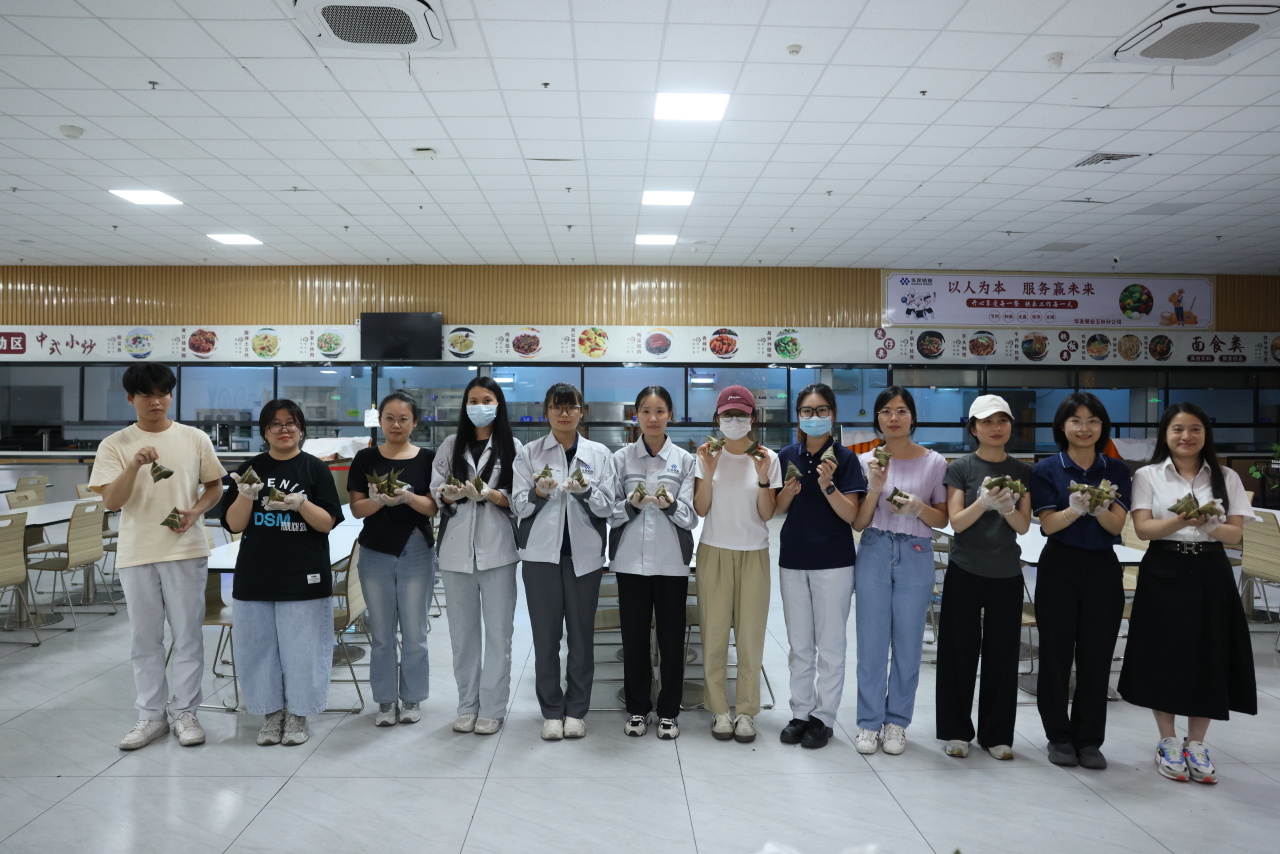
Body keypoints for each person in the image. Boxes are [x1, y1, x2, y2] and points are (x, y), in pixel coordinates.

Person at [91, 364, 227, 751]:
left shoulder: (194, 438)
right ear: (130, 398)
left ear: (171, 395)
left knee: (187, 635)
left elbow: (214, 486)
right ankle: (151, 716)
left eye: (162, 393)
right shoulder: (115, 444)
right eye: (146, 394)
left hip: (185, 548)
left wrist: (195, 511)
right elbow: (112, 501)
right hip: (137, 551)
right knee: (144, 638)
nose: (156, 401)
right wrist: (134, 464)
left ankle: (185, 712)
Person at [1119, 402, 1256, 783]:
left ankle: (1196, 743)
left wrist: (1208, 526)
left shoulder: (1226, 476)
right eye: (1178, 429)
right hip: (1164, 567)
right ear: (1165, 435)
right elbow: (1143, 529)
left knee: (1209, 652)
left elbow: (1235, 534)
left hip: (1211, 569)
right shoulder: (1147, 475)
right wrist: (1182, 519)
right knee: (1164, 653)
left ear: (1205, 434)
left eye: (1195, 429)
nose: (1186, 436)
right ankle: (1167, 740)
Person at [220, 400, 343, 747]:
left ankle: (299, 714)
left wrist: (301, 504)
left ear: (301, 429)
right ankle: (270, 714)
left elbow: (327, 523)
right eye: (275, 424)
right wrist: (246, 495)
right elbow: (234, 523)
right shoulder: (251, 468)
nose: (284, 429)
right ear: (265, 431)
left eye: (291, 423)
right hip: (255, 574)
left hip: (304, 575)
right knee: (257, 650)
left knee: (303, 651)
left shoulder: (315, 469)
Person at [1029, 392, 1131, 770]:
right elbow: (1049, 525)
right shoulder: (1046, 469)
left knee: (1096, 655)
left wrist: (1100, 507)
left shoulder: (1117, 470)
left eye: (1092, 420)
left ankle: (1089, 740)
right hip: (1060, 565)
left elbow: (1116, 526)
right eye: (1076, 420)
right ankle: (1058, 736)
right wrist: (1075, 509)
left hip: (1103, 567)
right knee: (1055, 655)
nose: (1084, 427)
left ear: (1103, 426)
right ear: (1062, 426)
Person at [511, 383, 616, 740]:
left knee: (581, 636)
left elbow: (609, 507)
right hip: (540, 558)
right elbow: (518, 505)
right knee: (546, 637)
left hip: (584, 558)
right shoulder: (529, 453)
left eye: (571, 407)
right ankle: (552, 711)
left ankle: (576, 710)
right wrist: (538, 493)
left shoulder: (599, 454)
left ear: (581, 412)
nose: (564, 413)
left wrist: (587, 492)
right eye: (557, 407)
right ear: (547, 413)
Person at [852, 387, 948, 756]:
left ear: (912, 417)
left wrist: (919, 508)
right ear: (877, 418)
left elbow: (943, 519)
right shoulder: (866, 461)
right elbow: (860, 521)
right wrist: (875, 489)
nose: (894, 418)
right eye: (886, 411)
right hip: (875, 548)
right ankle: (868, 722)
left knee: (909, 643)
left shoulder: (935, 463)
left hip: (916, 551)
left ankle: (896, 722)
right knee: (871, 642)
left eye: (901, 411)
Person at [935, 395, 1032, 760]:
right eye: (987, 422)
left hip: (1006, 572)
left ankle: (997, 735)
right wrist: (983, 502)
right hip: (966, 570)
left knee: (1002, 655)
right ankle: (956, 731)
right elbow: (956, 522)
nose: (996, 427)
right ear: (973, 428)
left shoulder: (1022, 471)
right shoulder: (961, 467)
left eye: (1002, 420)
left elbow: (1023, 525)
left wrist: (1006, 508)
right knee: (958, 652)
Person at [775, 383, 864, 749]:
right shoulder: (786, 456)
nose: (814, 417)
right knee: (799, 644)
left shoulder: (846, 459)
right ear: (798, 416)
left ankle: (823, 717)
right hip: (793, 560)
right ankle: (800, 712)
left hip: (834, 562)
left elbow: (852, 515)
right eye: (807, 411)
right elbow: (777, 509)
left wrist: (828, 485)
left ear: (833, 414)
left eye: (821, 410)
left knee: (830, 644)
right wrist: (787, 493)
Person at [431, 377, 522, 735]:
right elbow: (435, 492)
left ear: (498, 405)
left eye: (487, 399)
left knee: (499, 635)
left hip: (498, 553)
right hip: (456, 554)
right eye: (473, 400)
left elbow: (521, 498)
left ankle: (493, 707)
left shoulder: (512, 447)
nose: (479, 405)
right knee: (463, 637)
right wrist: (450, 494)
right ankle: (467, 705)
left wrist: (492, 495)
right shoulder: (451, 445)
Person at [608, 386, 697, 740]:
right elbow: (609, 513)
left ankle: (669, 711)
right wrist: (631, 504)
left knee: (671, 640)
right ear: (637, 416)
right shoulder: (621, 459)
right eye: (646, 411)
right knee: (634, 639)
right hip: (630, 562)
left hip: (672, 562)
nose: (653, 418)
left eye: (660, 411)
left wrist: (669, 504)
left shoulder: (685, 460)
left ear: (670, 415)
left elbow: (690, 517)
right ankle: (638, 707)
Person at [694, 384, 781, 744]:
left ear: (752, 418)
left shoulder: (767, 457)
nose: (733, 421)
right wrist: (710, 470)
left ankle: (745, 711)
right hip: (714, 551)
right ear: (717, 418)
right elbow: (701, 508)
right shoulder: (706, 455)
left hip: (753, 553)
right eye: (727, 415)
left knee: (750, 638)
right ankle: (718, 710)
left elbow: (767, 513)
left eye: (740, 415)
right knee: (714, 636)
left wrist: (762, 477)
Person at [347, 391, 438, 728]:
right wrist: (379, 502)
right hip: (375, 551)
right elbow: (357, 509)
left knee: (415, 632)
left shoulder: (428, 458)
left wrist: (408, 497)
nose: (396, 424)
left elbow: (434, 507)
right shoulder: (365, 458)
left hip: (417, 549)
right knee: (382, 633)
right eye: (389, 418)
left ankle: (412, 698)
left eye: (403, 418)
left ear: (414, 422)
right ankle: (386, 700)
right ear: (380, 421)